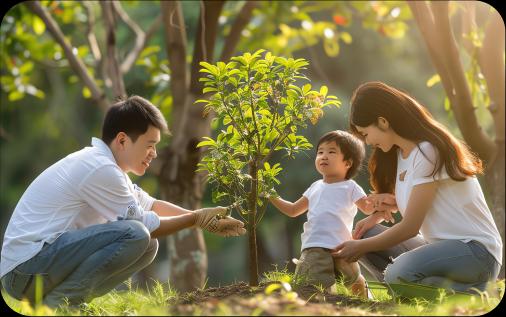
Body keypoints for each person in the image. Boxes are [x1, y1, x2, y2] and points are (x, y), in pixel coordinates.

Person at [0, 96, 246, 308]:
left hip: (35, 267)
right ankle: (61, 304)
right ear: (122, 140)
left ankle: (68, 302)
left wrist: (202, 216)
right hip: (24, 271)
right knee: (137, 233)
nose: (154, 153)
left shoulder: (110, 168)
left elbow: (150, 205)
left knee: (148, 244)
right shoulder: (99, 167)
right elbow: (144, 224)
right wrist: (197, 219)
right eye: (150, 145)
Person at [332, 81, 502, 294]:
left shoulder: (428, 151)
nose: (366, 142)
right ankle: (409, 290)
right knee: (366, 235)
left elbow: (411, 226)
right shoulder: (401, 154)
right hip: (438, 247)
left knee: (394, 271)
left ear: (383, 121)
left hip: (475, 252)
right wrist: (388, 206)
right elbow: (429, 202)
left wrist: (361, 248)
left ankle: (473, 294)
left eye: (365, 134)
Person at [268, 130, 393, 298]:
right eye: (320, 152)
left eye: (331, 152)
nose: (323, 156)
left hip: (343, 247)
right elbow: (293, 210)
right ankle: (319, 306)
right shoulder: (314, 187)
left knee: (354, 280)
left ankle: (368, 302)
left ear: (348, 163)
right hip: (315, 247)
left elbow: (367, 208)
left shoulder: (351, 187)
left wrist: (381, 205)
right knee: (311, 286)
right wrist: (270, 194)